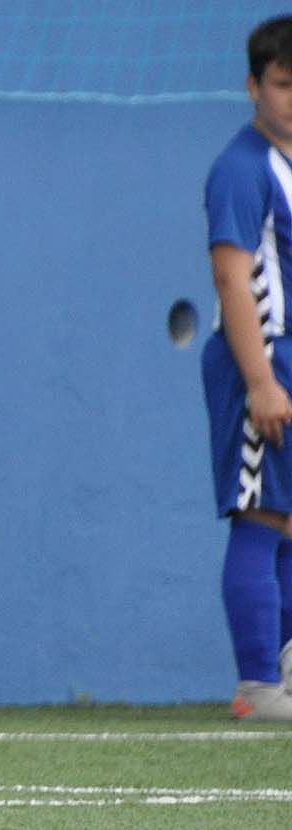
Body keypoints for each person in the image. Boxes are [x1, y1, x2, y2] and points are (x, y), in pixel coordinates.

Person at [202, 15, 292, 723]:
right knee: (259, 513)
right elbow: (235, 279)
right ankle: (259, 686)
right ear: (254, 86)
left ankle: (284, 667)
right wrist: (260, 379)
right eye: (284, 84)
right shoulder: (241, 167)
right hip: (259, 360)